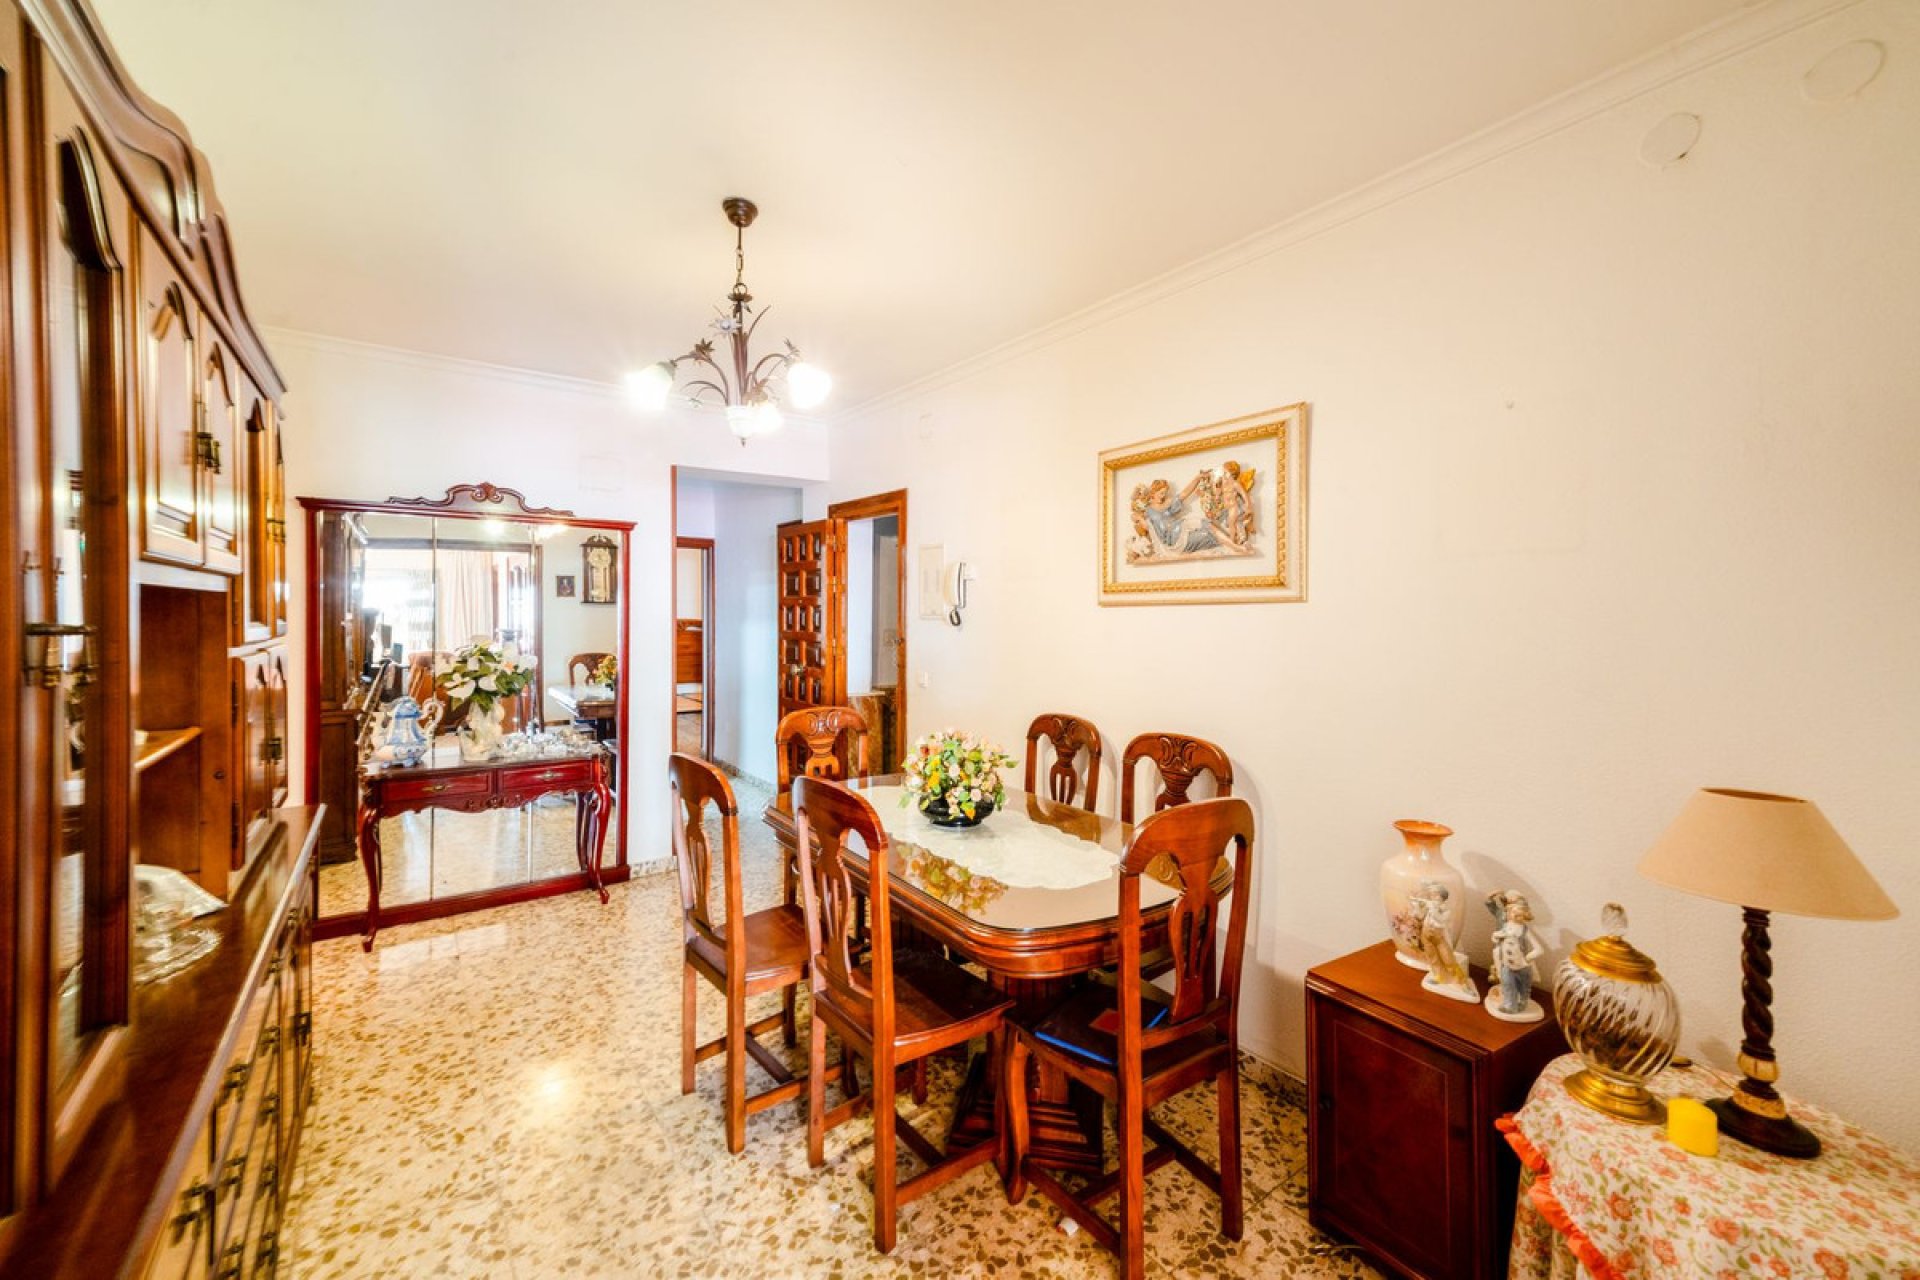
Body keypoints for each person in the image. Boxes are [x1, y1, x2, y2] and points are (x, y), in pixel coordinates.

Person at [1485, 891, 1546, 1020]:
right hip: (1506, 964)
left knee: (1523, 988)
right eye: (1513, 913)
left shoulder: (1524, 930)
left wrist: (1527, 958)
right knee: (1507, 985)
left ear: (1524, 915)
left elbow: (1539, 949)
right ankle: (1510, 1006)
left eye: (1519, 914)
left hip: (1522, 966)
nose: (1516, 916)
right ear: (1508, 912)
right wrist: (1495, 937)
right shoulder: (1506, 926)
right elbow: (1497, 937)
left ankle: (1523, 1003)